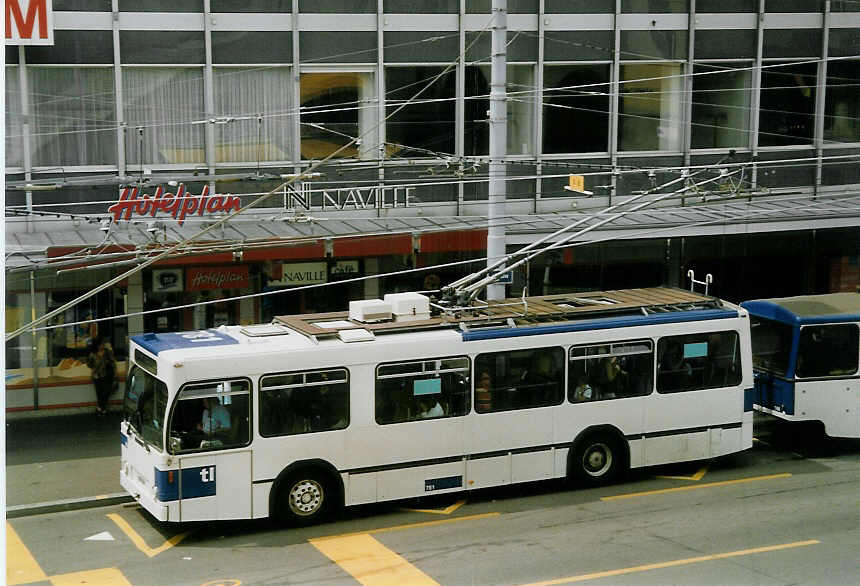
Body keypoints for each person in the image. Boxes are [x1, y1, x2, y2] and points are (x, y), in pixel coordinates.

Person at [86, 337, 116, 416]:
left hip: (105, 375)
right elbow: (89, 364)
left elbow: (112, 362)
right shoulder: (92, 355)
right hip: (96, 376)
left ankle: (100, 408)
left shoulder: (107, 353)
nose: (102, 346)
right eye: (101, 344)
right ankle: (102, 409)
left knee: (106, 392)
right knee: (99, 393)